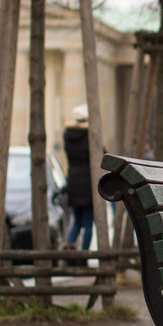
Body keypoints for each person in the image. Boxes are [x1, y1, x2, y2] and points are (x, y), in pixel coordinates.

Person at [62, 103, 94, 251]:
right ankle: (85, 253)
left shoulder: (68, 135)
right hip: (88, 183)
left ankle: (69, 245)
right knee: (88, 223)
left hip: (73, 182)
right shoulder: (90, 136)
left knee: (77, 221)